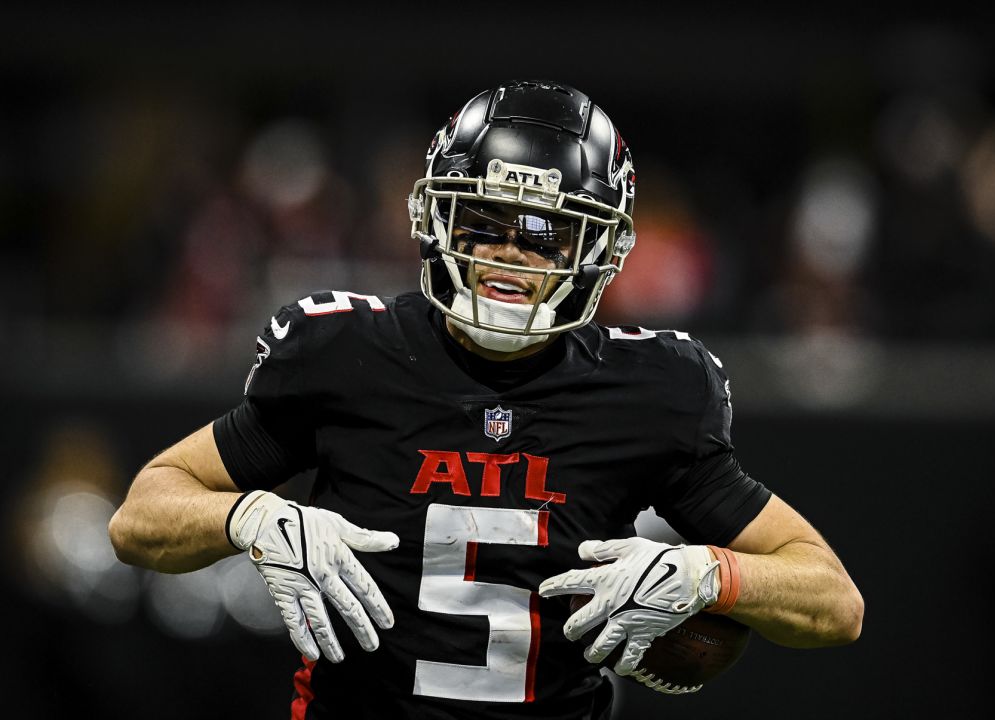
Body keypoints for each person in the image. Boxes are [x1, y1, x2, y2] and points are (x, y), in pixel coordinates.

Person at [109, 79, 864, 720]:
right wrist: (249, 517)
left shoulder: (648, 393)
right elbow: (142, 515)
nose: (508, 252)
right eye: (485, 221)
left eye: (544, 232)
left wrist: (710, 574)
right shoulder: (349, 357)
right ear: (438, 218)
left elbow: (833, 601)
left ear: (596, 251)